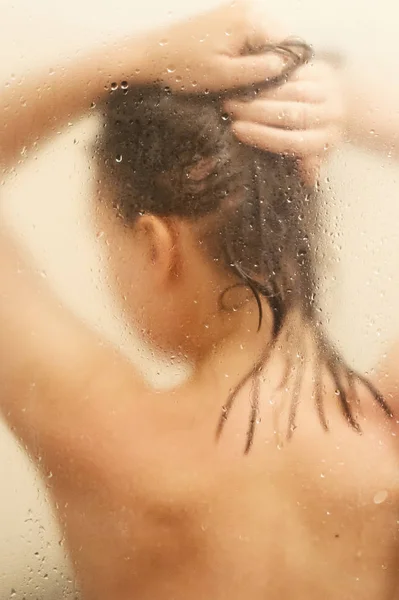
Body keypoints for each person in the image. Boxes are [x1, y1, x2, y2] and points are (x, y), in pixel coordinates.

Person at [0, 3, 398, 600]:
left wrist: (127, 58)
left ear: (158, 246)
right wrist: (332, 93)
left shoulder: (105, 437)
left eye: (109, 246)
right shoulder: (384, 429)